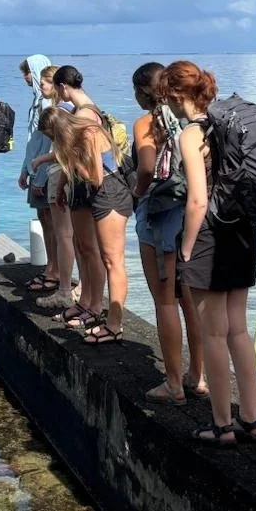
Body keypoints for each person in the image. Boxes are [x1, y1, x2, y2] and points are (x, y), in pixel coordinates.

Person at [160, 61, 256, 445]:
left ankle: (222, 425)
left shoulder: (192, 133)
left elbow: (198, 200)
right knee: (238, 329)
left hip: (209, 238)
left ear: (174, 95)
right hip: (243, 233)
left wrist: (185, 246)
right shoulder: (229, 127)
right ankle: (251, 419)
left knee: (213, 334)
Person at [130, 61, 207, 403]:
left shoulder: (147, 123)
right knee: (191, 301)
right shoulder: (192, 120)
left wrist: (136, 190)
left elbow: (146, 167)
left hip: (159, 215)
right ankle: (198, 376)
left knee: (164, 302)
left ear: (142, 92)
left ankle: (174, 383)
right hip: (191, 215)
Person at [50, 65, 131, 342]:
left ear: (63, 87)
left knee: (99, 254)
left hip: (100, 188)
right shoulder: (77, 113)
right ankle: (87, 301)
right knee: (85, 248)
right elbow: (71, 157)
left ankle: (97, 306)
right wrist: (63, 184)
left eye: (55, 90)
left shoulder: (86, 116)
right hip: (82, 188)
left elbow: (90, 167)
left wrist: (69, 169)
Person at [19, 57, 65, 295]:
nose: (26, 78)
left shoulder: (48, 104)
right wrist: (25, 168)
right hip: (36, 167)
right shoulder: (39, 101)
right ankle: (52, 267)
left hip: (44, 171)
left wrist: (38, 177)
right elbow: (32, 140)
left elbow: (48, 142)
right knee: (46, 221)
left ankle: (55, 270)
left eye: (28, 73)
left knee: (51, 223)